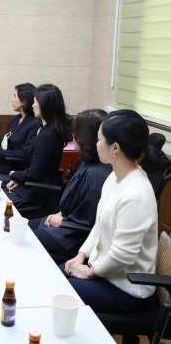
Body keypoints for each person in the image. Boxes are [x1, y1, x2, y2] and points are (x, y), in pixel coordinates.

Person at [63, 109, 161, 313]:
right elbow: (100, 225)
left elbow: (122, 256)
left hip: (127, 289)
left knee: (59, 289)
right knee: (54, 275)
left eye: (99, 139)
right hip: (106, 274)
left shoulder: (136, 194)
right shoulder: (115, 178)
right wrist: (81, 255)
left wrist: (90, 272)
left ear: (114, 147)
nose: (96, 144)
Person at [30, 109, 112, 264]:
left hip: (72, 237)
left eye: (75, 132)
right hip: (66, 222)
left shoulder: (97, 174)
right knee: (22, 227)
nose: (72, 136)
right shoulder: (87, 161)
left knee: (23, 238)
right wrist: (61, 214)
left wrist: (62, 221)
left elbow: (90, 224)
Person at [3, 84, 68, 211]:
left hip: (41, 193)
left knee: (1, 198)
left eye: (35, 102)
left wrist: (16, 174)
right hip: (35, 184)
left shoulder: (48, 136)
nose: (32, 105)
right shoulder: (45, 129)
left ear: (45, 105)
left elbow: (35, 173)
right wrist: (19, 178)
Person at [0, 83, 41, 174]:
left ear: (24, 101)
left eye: (15, 97)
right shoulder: (14, 119)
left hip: (15, 166)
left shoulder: (35, 123)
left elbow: (26, 152)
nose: (12, 100)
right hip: (2, 161)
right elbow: (4, 145)